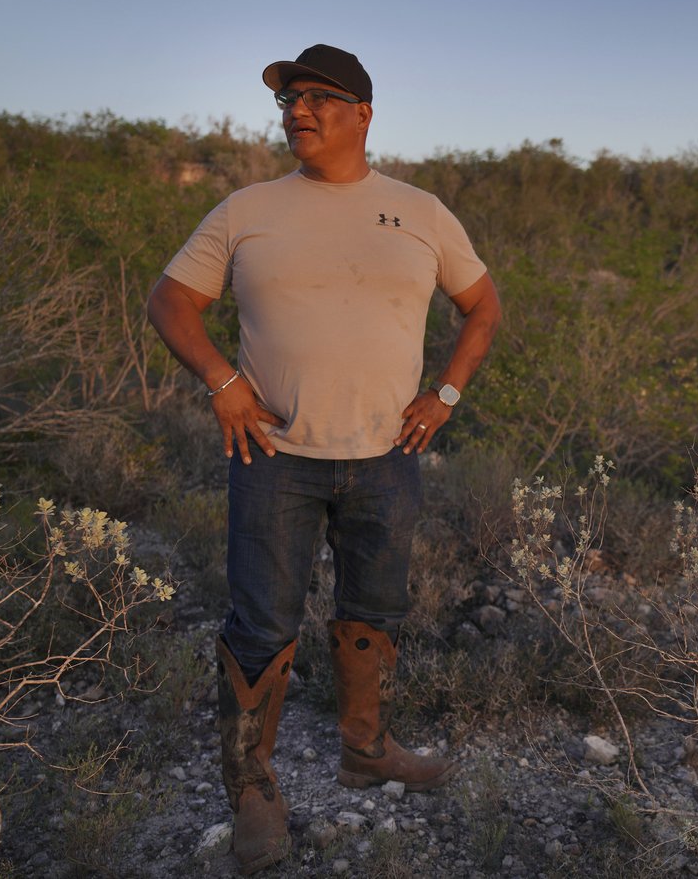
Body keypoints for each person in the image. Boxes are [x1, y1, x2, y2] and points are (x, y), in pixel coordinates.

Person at [147, 44, 500, 874]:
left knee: (374, 606)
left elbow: (482, 304)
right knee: (261, 621)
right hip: (272, 453)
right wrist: (223, 380)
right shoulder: (247, 208)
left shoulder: (420, 211)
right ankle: (254, 790)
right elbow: (170, 300)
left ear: (363, 114)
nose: (296, 109)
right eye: (289, 99)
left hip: (386, 455)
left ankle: (366, 748)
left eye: (317, 97)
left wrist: (444, 394)